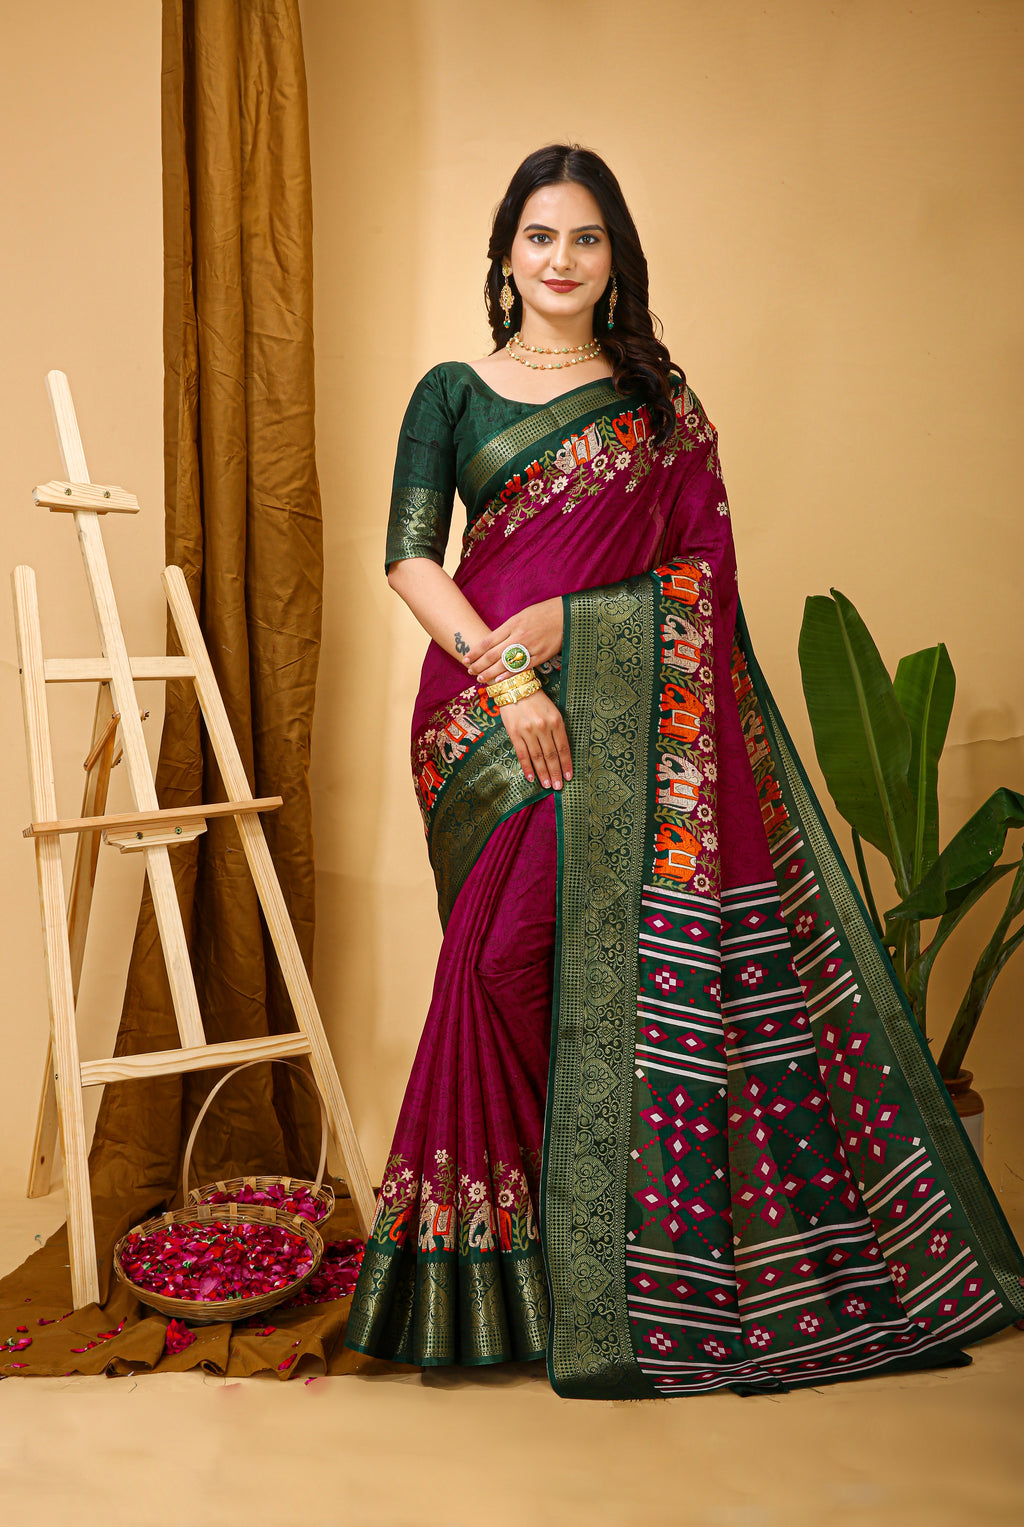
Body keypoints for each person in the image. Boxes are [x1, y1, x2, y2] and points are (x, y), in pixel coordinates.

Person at [344, 144, 1024, 1398]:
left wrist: (575, 630)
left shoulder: (659, 405)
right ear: (505, 253)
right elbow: (407, 557)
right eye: (539, 236)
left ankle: (599, 1272)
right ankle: (508, 1275)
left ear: (617, 259)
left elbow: (701, 585)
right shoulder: (453, 392)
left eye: (586, 238)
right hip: (478, 717)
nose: (561, 259)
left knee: (567, 966)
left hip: (619, 715)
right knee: (498, 966)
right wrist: (505, 669)